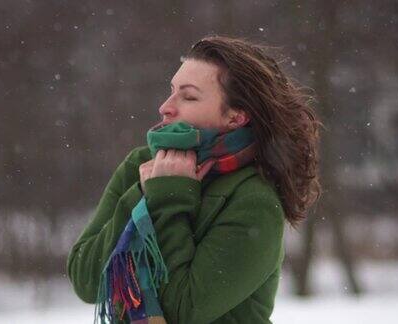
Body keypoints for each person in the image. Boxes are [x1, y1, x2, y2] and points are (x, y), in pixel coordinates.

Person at [67, 35, 322, 324]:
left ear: (236, 117)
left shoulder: (254, 200)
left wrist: (168, 196)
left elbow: (184, 311)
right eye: (171, 91)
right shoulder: (140, 166)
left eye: (188, 96)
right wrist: (143, 192)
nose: (166, 106)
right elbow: (86, 280)